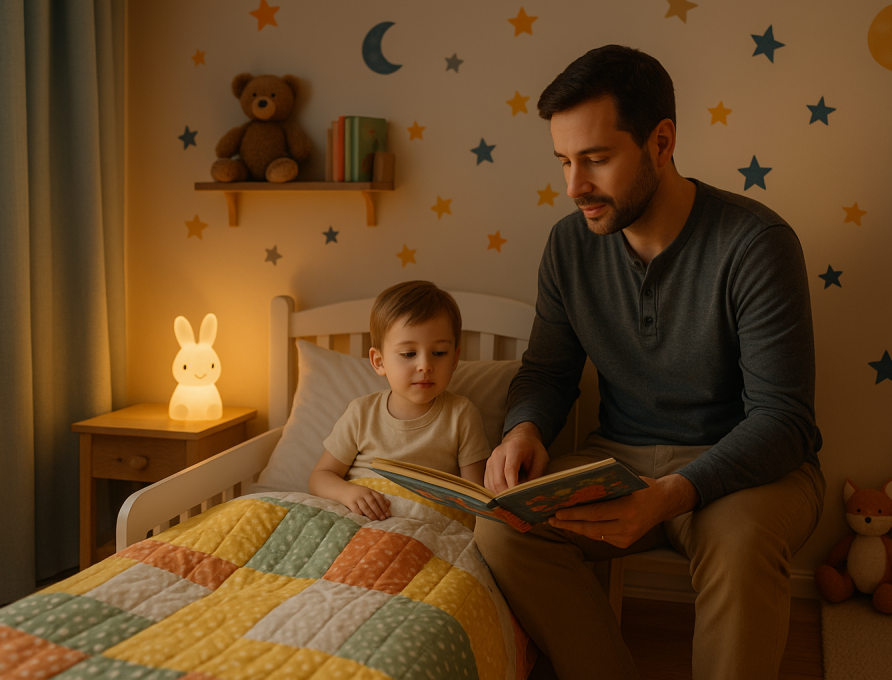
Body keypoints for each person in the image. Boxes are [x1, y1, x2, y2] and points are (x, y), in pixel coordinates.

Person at [474, 45, 826, 680]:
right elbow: (549, 374)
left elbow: (784, 420)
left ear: (661, 143)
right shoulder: (568, 245)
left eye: (598, 160)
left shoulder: (756, 244)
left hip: (747, 469)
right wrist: (523, 429)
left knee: (741, 545)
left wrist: (669, 497)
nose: (574, 186)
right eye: (564, 162)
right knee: (502, 529)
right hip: (624, 457)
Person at [309, 280, 490, 520]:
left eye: (439, 353)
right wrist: (348, 492)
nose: (425, 366)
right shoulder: (362, 413)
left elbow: (474, 498)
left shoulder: (461, 414)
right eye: (408, 354)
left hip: (423, 525)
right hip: (360, 520)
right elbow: (320, 477)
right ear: (379, 361)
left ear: (455, 358)